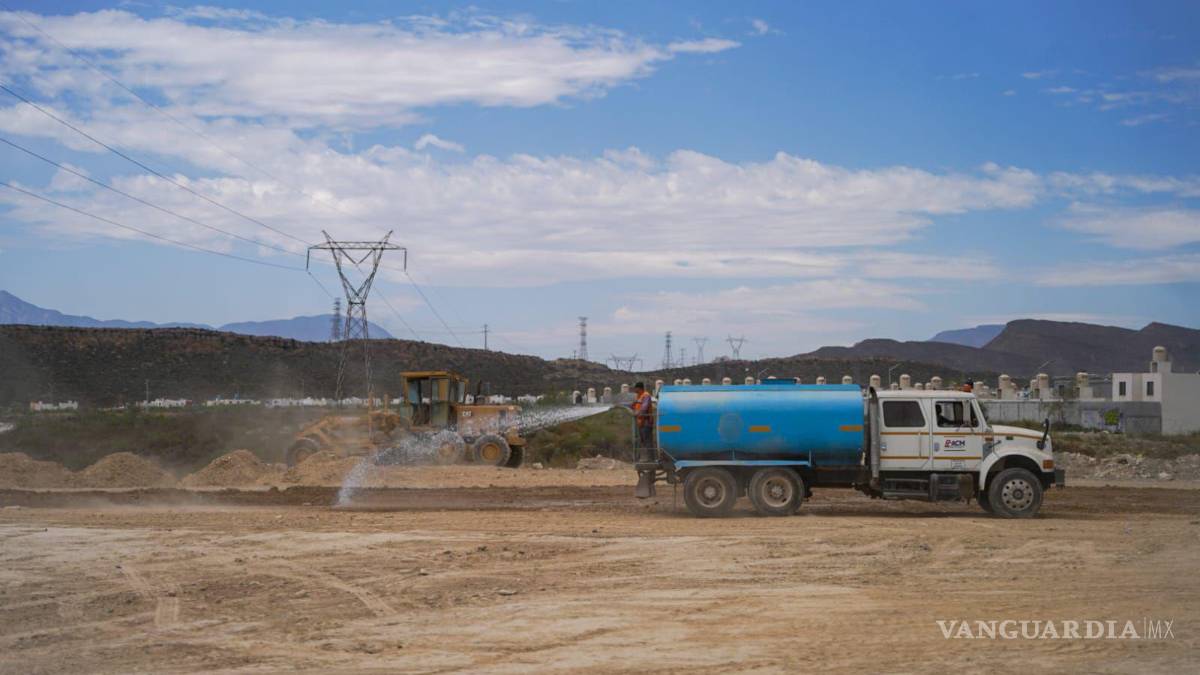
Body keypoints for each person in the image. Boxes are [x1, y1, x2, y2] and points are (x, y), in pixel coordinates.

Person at [630, 382, 656, 460]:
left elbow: (644, 409)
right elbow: (635, 406)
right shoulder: (639, 397)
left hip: (646, 422)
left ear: (639, 388)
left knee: (648, 441)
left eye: (635, 388)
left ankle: (650, 459)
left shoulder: (646, 396)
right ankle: (646, 458)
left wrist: (636, 414)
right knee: (643, 441)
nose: (634, 389)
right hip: (641, 423)